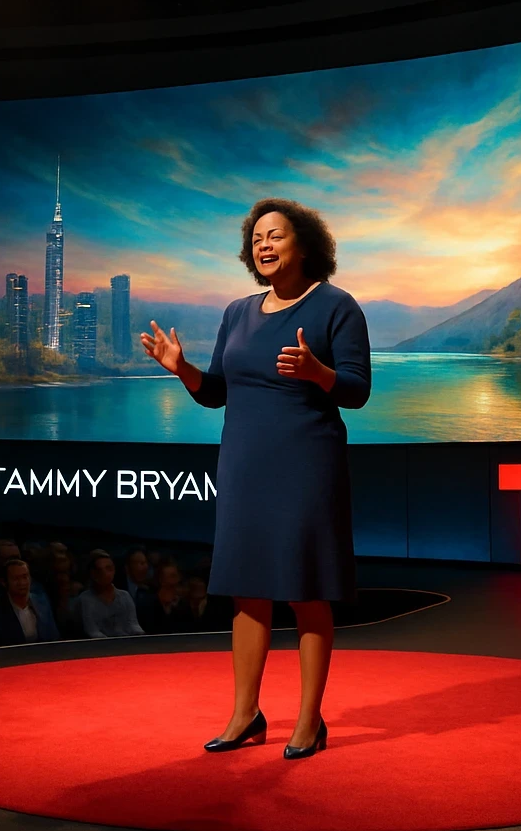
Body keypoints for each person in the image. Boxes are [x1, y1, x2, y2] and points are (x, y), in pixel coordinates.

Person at [140, 198, 371, 758]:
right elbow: (217, 392)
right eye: (257, 239)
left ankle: (309, 721)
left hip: (306, 463)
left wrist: (319, 373)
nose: (264, 246)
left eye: (277, 236)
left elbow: (357, 390)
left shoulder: (337, 307)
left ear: (307, 245)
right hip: (243, 464)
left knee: (307, 589)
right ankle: (246, 715)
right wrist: (183, 370)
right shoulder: (237, 312)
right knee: (247, 591)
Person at [0, 558, 60, 644]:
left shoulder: (42, 602)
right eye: (16, 579)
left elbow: (53, 637)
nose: (22, 583)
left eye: (25, 577)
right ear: (4, 582)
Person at [76, 550, 144, 638]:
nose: (105, 573)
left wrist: (142, 638)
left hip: (127, 645)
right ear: (93, 573)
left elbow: (133, 624)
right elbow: (92, 631)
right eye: (100, 570)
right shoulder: (85, 599)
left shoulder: (125, 596)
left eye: (109, 568)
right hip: (99, 648)